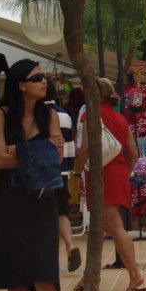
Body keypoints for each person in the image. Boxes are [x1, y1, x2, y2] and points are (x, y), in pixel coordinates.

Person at [0, 60, 64, 291]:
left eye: (44, 77)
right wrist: (41, 150)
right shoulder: (0, 115)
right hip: (10, 205)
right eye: (37, 78)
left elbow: (58, 158)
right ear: (20, 84)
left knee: (46, 279)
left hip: (42, 202)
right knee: (17, 282)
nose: (44, 82)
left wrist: (17, 152)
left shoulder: (49, 114)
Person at [73, 77, 145, 291]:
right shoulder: (120, 119)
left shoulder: (90, 115)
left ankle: (135, 275)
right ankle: (89, 276)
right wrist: (125, 171)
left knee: (113, 226)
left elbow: (85, 147)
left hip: (99, 175)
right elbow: (133, 153)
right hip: (118, 173)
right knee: (103, 226)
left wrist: (76, 172)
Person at [44, 76, 80, 273]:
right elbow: (71, 145)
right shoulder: (64, 114)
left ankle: (49, 257)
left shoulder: (39, 114)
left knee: (46, 214)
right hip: (64, 169)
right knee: (61, 211)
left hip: (46, 170)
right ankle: (70, 245)